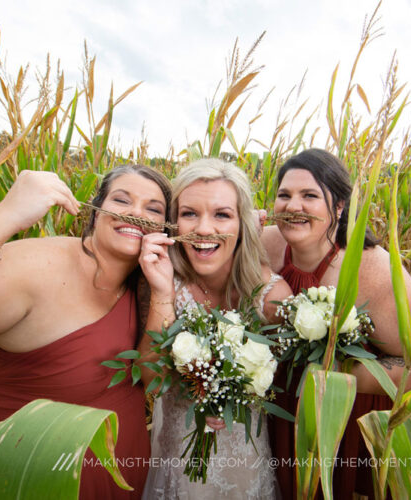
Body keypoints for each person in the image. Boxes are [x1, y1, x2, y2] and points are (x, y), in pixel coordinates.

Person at [260, 148, 411, 499]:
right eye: (284, 195)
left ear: (339, 206)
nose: (293, 206)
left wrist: (331, 373)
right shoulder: (266, 244)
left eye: (309, 195)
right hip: (279, 404)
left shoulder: (375, 272)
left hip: (343, 416)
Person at [0, 165, 172, 499]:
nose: (137, 213)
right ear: (95, 210)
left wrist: (163, 294)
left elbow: (153, 379)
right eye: (122, 200)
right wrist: (7, 215)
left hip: (122, 480)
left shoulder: (144, 286)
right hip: (36, 482)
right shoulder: (35, 266)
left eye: (153, 209)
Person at [138, 158, 292, 500]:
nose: (204, 229)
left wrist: (234, 392)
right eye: (189, 213)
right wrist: (163, 293)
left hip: (243, 464)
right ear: (174, 221)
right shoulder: (162, 281)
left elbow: (282, 389)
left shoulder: (270, 298)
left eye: (222, 214)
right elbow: (151, 380)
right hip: (175, 458)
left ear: (242, 223)